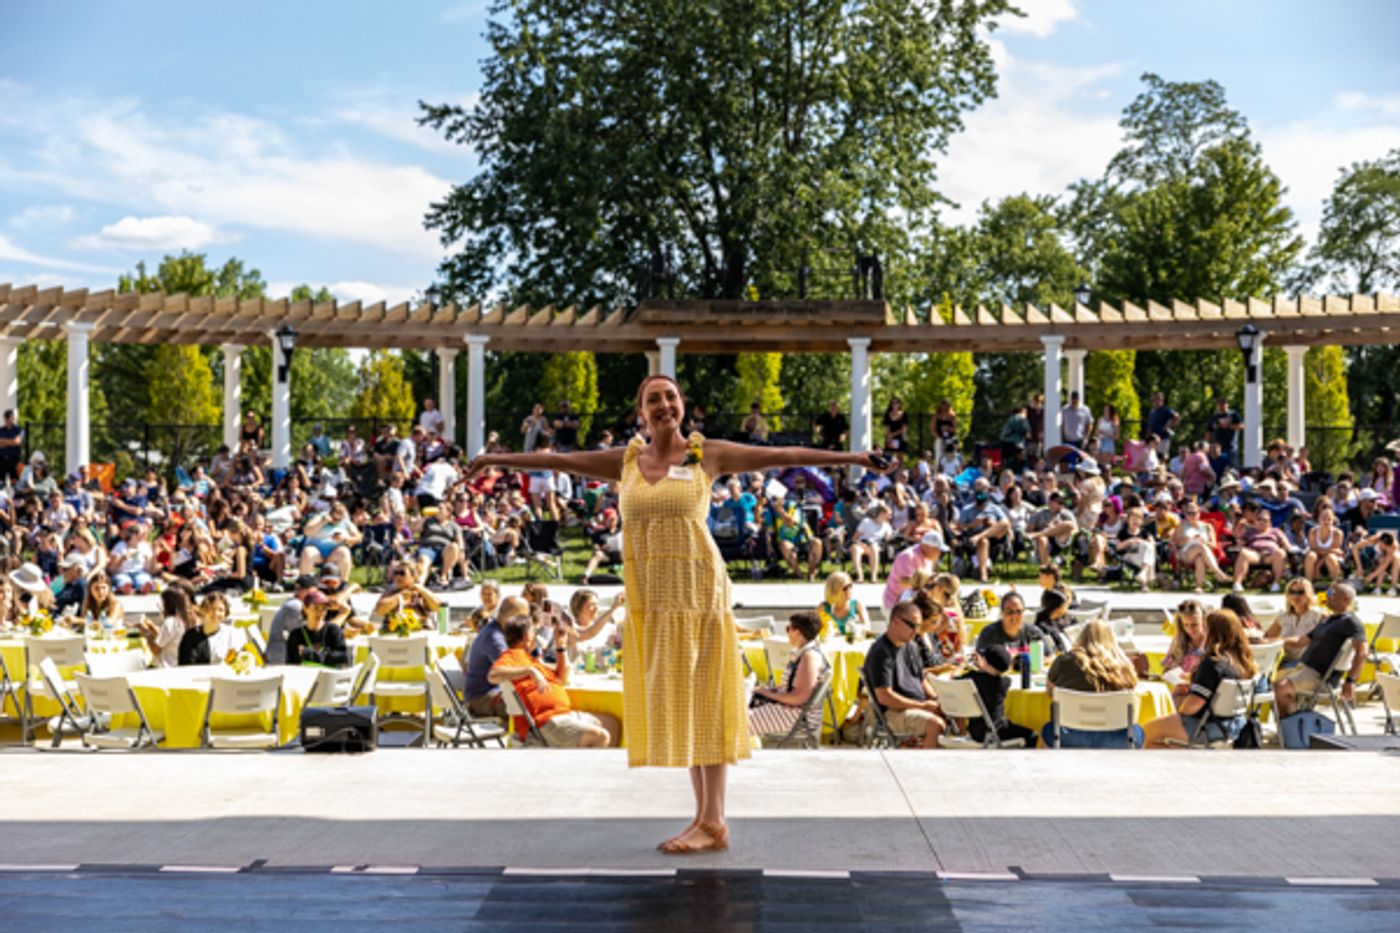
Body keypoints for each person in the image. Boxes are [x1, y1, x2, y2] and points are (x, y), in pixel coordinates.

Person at [465, 372, 889, 854]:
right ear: (641, 411)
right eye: (653, 399)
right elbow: (559, 460)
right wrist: (495, 458)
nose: (663, 405)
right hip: (653, 601)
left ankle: (713, 820)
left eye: (670, 396)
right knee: (689, 708)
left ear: (682, 405)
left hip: (700, 594)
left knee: (707, 702)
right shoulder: (625, 462)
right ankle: (708, 820)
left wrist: (853, 457)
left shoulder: (707, 453)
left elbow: (781, 455)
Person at [489, 610, 620, 747]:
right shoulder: (512, 655)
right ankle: (585, 767)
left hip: (563, 715)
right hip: (544, 722)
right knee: (600, 737)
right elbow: (493, 675)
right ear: (528, 635)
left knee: (612, 724)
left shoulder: (531, 659)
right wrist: (531, 671)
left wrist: (560, 646)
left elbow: (562, 677)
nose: (537, 635)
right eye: (535, 632)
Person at [1144, 609, 1258, 747]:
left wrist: (1180, 698)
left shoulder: (1213, 664)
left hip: (1206, 726)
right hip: (1235, 725)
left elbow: (1190, 707)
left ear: (1210, 632)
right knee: (1165, 744)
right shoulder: (1244, 663)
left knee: (1143, 733)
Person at [1273, 582, 1368, 717]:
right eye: (1327, 593)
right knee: (1268, 681)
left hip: (1319, 676)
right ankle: (1293, 725)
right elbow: (1302, 641)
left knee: (1279, 688)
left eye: (1331, 593)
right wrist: (1273, 642)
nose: (1326, 596)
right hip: (1304, 668)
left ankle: (1293, 729)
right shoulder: (1329, 620)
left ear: (1346, 599)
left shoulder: (1351, 622)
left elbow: (1362, 652)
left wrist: (1350, 681)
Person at [1043, 619, 1142, 748]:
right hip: (1119, 738)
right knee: (1140, 731)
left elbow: (1051, 692)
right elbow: (1133, 693)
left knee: (1048, 729)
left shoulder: (1065, 661)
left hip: (1070, 736)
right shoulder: (1123, 665)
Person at [862, 602, 946, 749]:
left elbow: (921, 680)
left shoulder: (911, 646)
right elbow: (885, 697)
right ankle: (927, 766)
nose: (916, 631)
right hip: (893, 712)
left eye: (918, 626)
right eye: (911, 625)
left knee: (959, 714)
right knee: (935, 725)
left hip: (915, 705)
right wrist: (923, 705)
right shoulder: (881, 652)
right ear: (895, 621)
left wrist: (935, 699)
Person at [748, 611, 831, 738]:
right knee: (734, 712)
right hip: (793, 712)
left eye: (788, 628)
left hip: (797, 717)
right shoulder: (806, 652)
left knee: (735, 722)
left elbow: (799, 697)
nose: (787, 633)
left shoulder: (809, 657)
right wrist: (768, 691)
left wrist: (768, 693)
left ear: (798, 632)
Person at [264, 575, 321, 666]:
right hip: (281, 658)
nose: (316, 597)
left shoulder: (296, 603)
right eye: (314, 593)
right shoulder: (295, 606)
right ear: (303, 591)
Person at [284, 590, 350, 668]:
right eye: (316, 608)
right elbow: (290, 665)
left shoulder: (333, 631)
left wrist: (309, 654)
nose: (321, 612)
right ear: (305, 608)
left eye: (324, 608)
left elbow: (343, 657)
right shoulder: (296, 635)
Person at [178, 593, 248, 665]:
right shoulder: (190, 636)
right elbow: (186, 665)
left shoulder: (232, 634)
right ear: (203, 611)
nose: (216, 613)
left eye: (221, 610)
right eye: (212, 609)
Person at [882, 531, 945, 611]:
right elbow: (904, 581)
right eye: (937, 549)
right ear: (927, 547)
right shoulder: (908, 556)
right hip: (896, 606)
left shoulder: (929, 558)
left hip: (914, 604)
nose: (939, 553)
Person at [1266, 578, 1323, 664]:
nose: (1295, 596)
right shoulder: (1283, 616)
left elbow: (1301, 642)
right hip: (1283, 661)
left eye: (1300, 592)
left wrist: (1277, 641)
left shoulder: (1318, 615)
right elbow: (1267, 637)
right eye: (1291, 592)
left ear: (1309, 594)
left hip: (1307, 663)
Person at [140, 586, 198, 668]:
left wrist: (147, 635)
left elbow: (155, 650)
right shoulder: (188, 620)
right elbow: (168, 640)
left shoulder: (170, 622)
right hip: (183, 666)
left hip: (167, 667)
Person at [1162, 599, 1207, 702]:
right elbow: (1168, 668)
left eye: (1195, 625)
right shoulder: (1178, 641)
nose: (1190, 629)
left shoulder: (1211, 642)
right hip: (1181, 690)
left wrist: (1192, 678)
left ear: (1204, 621)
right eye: (1185, 625)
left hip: (1203, 692)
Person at [817, 571, 868, 639]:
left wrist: (857, 629)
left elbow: (867, 628)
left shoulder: (857, 605)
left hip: (853, 646)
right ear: (835, 589)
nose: (849, 590)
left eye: (850, 586)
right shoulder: (823, 607)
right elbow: (812, 631)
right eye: (845, 588)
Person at [1145, 392, 1180, 458]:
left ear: (1161, 400)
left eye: (1157, 399)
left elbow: (1177, 416)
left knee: (1161, 459)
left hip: (1163, 439)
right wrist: (1147, 439)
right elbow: (1149, 426)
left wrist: (1169, 426)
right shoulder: (1152, 412)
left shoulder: (1166, 410)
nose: (1154, 402)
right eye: (1153, 400)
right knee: (1152, 459)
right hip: (1152, 441)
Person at [1210, 400, 1243, 466]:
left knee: (1233, 465)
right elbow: (1210, 429)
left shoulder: (1233, 414)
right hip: (1218, 447)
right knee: (1219, 465)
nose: (1222, 406)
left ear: (1227, 405)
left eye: (1223, 404)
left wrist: (1229, 426)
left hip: (1231, 445)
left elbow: (1241, 426)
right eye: (1220, 405)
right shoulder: (1215, 416)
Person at [0, 409, 23, 483]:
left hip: (14, 460)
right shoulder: (1, 430)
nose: (8, 420)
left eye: (11, 417)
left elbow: (16, 442)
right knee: (1, 482)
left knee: (14, 482)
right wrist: (11, 441)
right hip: (1, 459)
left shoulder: (19, 430)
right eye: (7, 418)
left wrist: (3, 441)